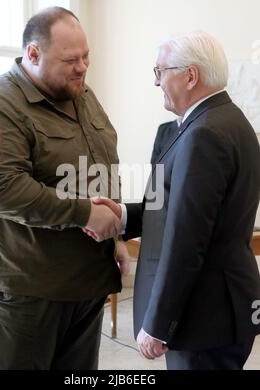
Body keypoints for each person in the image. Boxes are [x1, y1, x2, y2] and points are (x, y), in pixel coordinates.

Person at [0, 7, 129, 370]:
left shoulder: (81, 95)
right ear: (33, 54)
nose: (82, 67)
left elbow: (98, 167)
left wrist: (111, 235)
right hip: (22, 292)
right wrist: (85, 213)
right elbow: (0, 188)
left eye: (86, 56)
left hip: (83, 283)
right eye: (71, 59)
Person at [85, 31, 260, 370]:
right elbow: (176, 208)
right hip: (219, 311)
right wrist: (122, 215)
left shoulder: (205, 133)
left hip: (203, 317)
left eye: (161, 71)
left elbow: (186, 238)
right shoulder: (228, 121)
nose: (157, 81)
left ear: (190, 76)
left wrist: (159, 324)